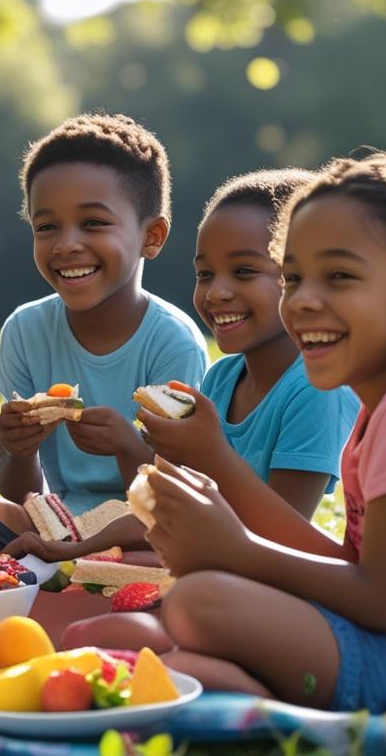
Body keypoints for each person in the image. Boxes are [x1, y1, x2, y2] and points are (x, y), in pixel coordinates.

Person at [67, 151, 386, 711]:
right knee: (166, 631)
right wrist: (216, 506)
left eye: (338, 276)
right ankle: (247, 694)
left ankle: (274, 707)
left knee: (201, 604)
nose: (303, 300)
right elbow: (350, 568)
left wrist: (236, 548)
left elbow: (379, 602)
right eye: (293, 277)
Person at [0, 113, 207, 555]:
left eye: (93, 223)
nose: (66, 244)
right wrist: (18, 450)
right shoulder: (25, 329)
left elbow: (173, 492)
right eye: (47, 227)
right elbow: (18, 489)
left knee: (157, 554)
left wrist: (126, 444)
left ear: (151, 236)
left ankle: (59, 576)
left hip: (142, 525)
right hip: (54, 516)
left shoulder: (173, 343)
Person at [137, 169, 359, 520]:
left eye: (244, 271)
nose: (216, 292)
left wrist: (208, 453)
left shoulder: (318, 389)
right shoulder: (222, 378)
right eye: (204, 274)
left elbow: (286, 535)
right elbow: (185, 510)